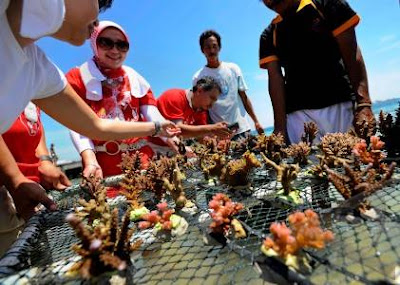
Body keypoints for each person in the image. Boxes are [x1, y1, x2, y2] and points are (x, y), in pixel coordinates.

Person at [0, 0, 179, 223]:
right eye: (98, 3)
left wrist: (157, 127)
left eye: (121, 45)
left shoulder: (37, 68)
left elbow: (95, 125)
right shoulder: (69, 74)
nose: (97, 20)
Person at [67, 21, 175, 187]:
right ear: (94, 42)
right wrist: (89, 160)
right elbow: (77, 124)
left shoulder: (135, 77)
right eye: (106, 42)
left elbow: (152, 115)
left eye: (122, 45)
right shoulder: (77, 77)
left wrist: (174, 140)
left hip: (143, 161)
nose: (115, 50)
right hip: (104, 167)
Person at [259, 0, 376, 144]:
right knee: (308, 165)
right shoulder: (270, 34)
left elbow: (352, 55)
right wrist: (280, 129)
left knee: (354, 161)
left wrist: (364, 104)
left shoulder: (328, 5)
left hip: (341, 106)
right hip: (298, 118)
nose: (269, 1)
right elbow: (275, 79)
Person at [0, 103, 71, 256]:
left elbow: (33, 119)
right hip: (7, 197)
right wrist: (15, 181)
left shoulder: (28, 83)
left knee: (42, 262)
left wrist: (45, 161)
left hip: (31, 192)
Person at [193, 30, 264, 140]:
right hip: (220, 135)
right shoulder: (198, 77)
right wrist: (209, 134)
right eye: (207, 47)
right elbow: (202, 110)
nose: (211, 50)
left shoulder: (233, 69)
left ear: (219, 48)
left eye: (214, 46)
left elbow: (244, 97)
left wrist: (256, 121)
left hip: (243, 129)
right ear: (202, 50)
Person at [157, 77, 232, 139]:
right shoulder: (174, 97)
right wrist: (212, 129)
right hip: (151, 146)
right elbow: (177, 130)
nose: (212, 105)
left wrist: (217, 139)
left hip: (173, 147)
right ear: (199, 91)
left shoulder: (201, 109)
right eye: (211, 98)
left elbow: (202, 136)